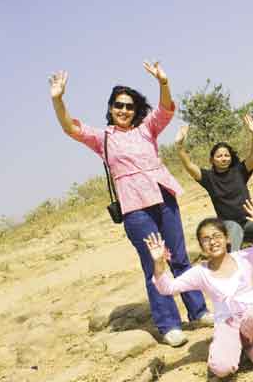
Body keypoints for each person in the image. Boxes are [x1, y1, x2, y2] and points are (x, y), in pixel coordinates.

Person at [48, 63, 210, 347]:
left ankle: (199, 311)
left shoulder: (147, 130)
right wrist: (58, 100)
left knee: (180, 259)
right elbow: (70, 127)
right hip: (135, 209)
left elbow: (166, 110)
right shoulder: (103, 138)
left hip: (164, 197)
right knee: (155, 265)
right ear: (110, 108)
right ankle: (169, 325)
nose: (124, 110)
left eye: (129, 106)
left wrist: (163, 82)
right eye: (118, 105)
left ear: (136, 111)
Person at [148, 200, 253, 378]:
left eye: (217, 236)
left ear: (227, 238)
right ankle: (235, 348)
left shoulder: (244, 257)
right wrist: (158, 263)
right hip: (226, 324)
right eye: (206, 239)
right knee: (221, 369)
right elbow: (167, 288)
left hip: (251, 318)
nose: (212, 242)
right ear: (201, 246)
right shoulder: (200, 272)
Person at [175, 115, 253, 252]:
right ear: (212, 160)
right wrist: (179, 147)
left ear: (231, 158)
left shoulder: (240, 171)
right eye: (219, 156)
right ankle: (236, 257)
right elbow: (189, 165)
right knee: (234, 227)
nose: (223, 158)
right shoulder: (208, 178)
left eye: (226, 155)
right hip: (228, 226)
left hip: (250, 222)